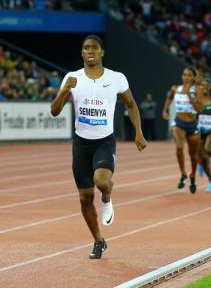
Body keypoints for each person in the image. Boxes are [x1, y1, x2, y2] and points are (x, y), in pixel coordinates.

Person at [50, 35, 147, 259]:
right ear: (82, 53)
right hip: (81, 144)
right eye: (86, 48)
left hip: (104, 141)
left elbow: (131, 104)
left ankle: (106, 198)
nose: (90, 50)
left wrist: (138, 132)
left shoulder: (116, 78)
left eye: (94, 47)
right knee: (84, 198)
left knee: (102, 182)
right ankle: (98, 240)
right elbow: (54, 111)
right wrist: (65, 91)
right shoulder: (72, 77)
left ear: (102, 52)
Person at [162, 67, 203, 194]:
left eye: (189, 75)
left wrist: (190, 97)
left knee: (193, 154)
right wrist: (165, 110)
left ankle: (192, 176)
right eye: (184, 75)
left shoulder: (196, 90)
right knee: (179, 147)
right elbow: (170, 98)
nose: (186, 77)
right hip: (179, 123)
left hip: (192, 124)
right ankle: (183, 173)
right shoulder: (176, 89)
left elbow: (200, 110)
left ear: (193, 77)